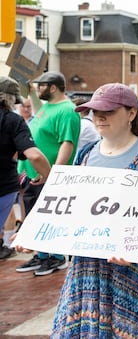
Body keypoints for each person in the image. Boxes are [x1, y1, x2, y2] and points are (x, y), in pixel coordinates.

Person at [33, 83, 138, 338]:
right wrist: (35, 233)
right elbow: (72, 206)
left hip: (135, 264)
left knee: (131, 330)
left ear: (131, 113)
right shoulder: (85, 155)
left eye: (108, 111)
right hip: (90, 265)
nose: (99, 117)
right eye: (94, 111)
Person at [16, 71, 80, 276]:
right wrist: (32, 92)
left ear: (53, 87)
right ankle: (42, 255)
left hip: (49, 174)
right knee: (36, 216)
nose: (38, 88)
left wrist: (55, 173)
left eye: (41, 86)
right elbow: (39, 110)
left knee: (50, 218)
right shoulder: (48, 108)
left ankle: (57, 257)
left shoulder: (67, 110)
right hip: (34, 173)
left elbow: (67, 143)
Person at [0, 77, 51, 260]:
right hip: (3, 185)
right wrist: (48, 175)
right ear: (9, 99)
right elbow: (34, 155)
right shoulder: (13, 120)